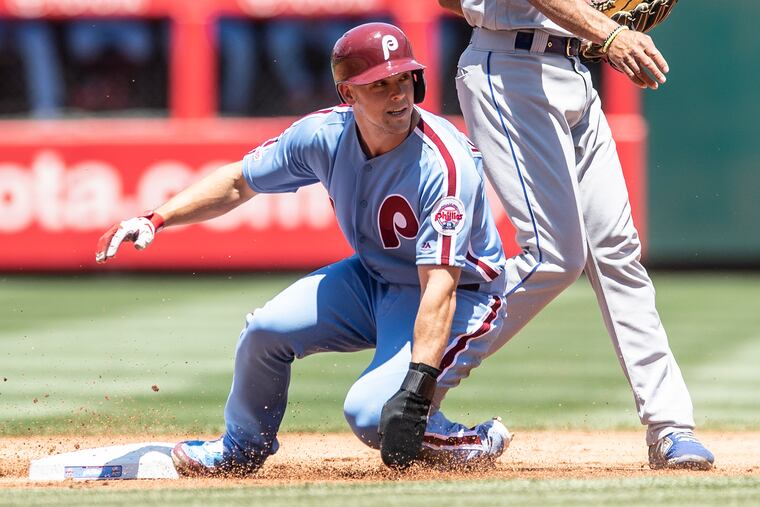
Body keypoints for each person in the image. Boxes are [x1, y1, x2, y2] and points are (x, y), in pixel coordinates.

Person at [96, 22, 513, 474]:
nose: (398, 94)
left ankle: (471, 440)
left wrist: (418, 387)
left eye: (404, 79)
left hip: (462, 294)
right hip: (374, 278)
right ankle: (241, 448)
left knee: (375, 417)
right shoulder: (322, 135)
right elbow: (239, 182)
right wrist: (155, 219)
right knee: (265, 331)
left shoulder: (445, 165)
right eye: (379, 84)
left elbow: (439, 289)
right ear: (348, 95)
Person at [438, 0, 715, 470]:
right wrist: (606, 30)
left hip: (573, 68)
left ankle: (670, 427)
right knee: (553, 256)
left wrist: (588, 23)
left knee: (618, 253)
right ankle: (415, 384)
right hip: (508, 68)